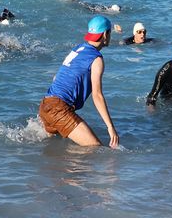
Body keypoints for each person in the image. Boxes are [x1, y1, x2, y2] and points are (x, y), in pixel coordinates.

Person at [39, 15, 119, 147]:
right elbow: (97, 95)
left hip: (45, 104)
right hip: (59, 109)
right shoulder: (96, 59)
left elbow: (56, 77)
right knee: (95, 149)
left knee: (54, 148)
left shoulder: (78, 48)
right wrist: (110, 127)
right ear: (105, 34)